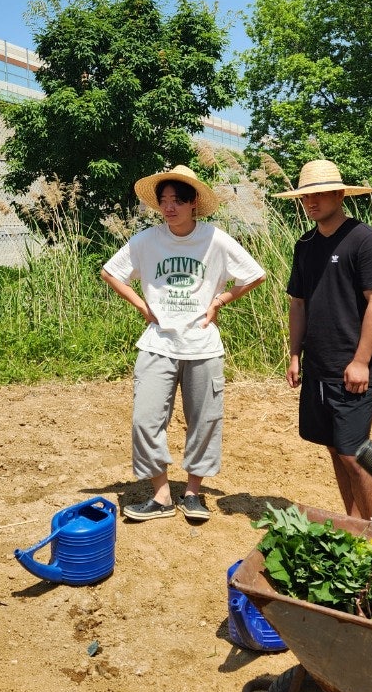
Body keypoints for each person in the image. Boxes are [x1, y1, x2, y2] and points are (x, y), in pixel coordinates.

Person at [101, 165, 265, 523]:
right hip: (158, 343)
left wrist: (219, 301)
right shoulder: (146, 240)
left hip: (203, 346)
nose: (169, 208)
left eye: (177, 200)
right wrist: (143, 305)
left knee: (204, 421)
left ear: (193, 203)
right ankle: (161, 496)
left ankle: (193, 493)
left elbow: (255, 274)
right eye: (163, 201)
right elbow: (110, 272)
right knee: (145, 420)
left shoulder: (215, 240)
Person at [278, 159, 372, 524]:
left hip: (353, 368)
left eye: (319, 194)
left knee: (354, 454)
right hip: (317, 367)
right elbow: (299, 302)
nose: (311, 202)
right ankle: (355, 525)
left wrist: (361, 361)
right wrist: (295, 354)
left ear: (340, 194)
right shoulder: (306, 244)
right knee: (334, 449)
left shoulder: (365, 240)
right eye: (305, 196)